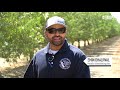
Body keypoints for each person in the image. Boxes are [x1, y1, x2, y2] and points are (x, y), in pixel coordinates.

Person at [24, 16, 90, 78]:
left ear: (65, 32)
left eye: (61, 30)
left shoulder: (78, 56)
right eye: (52, 30)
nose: (57, 34)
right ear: (46, 33)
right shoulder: (38, 57)